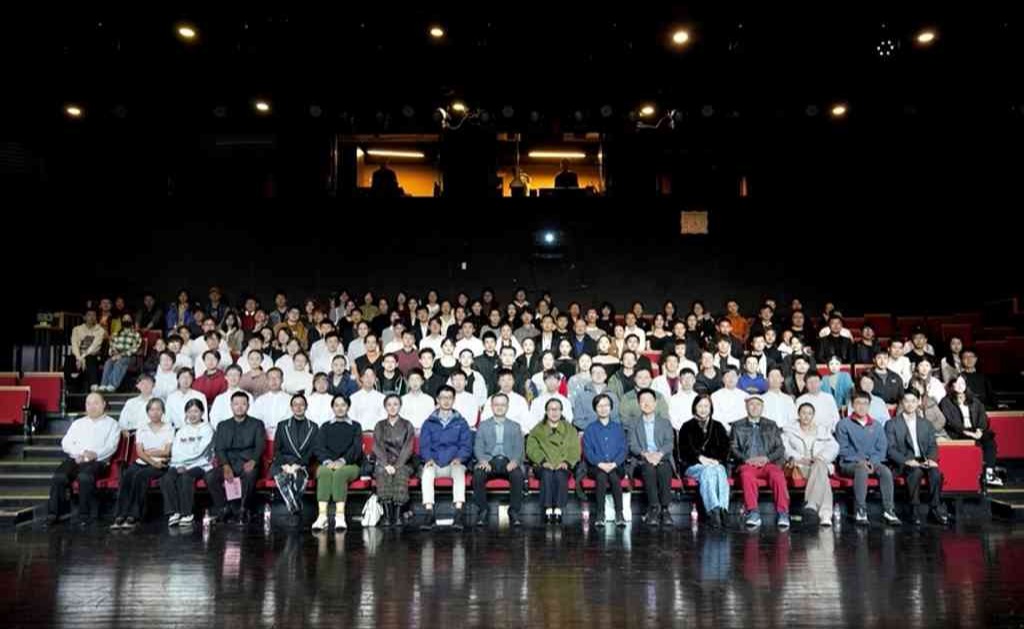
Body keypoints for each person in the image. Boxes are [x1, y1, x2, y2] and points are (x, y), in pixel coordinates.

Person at [47, 392, 120, 526]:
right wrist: (79, 453)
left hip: (98, 461)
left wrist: (94, 454)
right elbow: (65, 443)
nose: (92, 407)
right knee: (59, 477)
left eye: (96, 403)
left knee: (85, 477)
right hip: (76, 458)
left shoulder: (112, 424)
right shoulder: (78, 423)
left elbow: (111, 446)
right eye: (88, 404)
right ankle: (54, 514)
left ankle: (84, 515)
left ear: (103, 404)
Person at [835, 392, 901, 525]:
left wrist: (872, 462)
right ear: (852, 405)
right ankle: (861, 510)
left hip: (873, 462)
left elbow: (881, 448)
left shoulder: (876, 425)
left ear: (869, 406)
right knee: (861, 469)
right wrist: (861, 461)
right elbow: (842, 449)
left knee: (886, 471)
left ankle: (889, 510)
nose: (862, 407)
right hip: (850, 463)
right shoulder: (843, 424)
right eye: (858, 403)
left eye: (865, 403)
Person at [886, 391, 950, 525]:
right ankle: (913, 509)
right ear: (902, 403)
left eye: (913, 401)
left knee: (936, 473)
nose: (910, 404)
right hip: (904, 461)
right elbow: (890, 449)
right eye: (907, 401)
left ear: (918, 402)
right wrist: (906, 461)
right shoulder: (892, 424)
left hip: (924, 459)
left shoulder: (926, 424)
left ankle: (934, 508)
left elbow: (932, 445)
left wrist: (931, 459)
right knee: (916, 471)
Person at [110, 398, 174, 529]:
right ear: (148, 412)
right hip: (144, 461)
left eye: (158, 409)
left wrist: (149, 453)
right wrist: (152, 459)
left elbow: (167, 452)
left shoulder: (169, 428)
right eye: (152, 409)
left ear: (163, 411)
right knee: (127, 475)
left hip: (162, 463)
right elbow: (139, 452)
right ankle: (121, 513)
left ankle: (134, 515)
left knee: (140, 476)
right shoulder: (142, 428)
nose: (155, 412)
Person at [731, 396, 791, 529]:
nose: (754, 407)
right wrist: (746, 459)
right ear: (746, 407)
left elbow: (780, 448)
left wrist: (767, 458)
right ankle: (753, 512)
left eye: (758, 404)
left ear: (762, 407)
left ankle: (783, 513)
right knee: (746, 475)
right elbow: (733, 448)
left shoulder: (771, 425)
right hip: (747, 463)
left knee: (777, 475)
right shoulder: (737, 425)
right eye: (751, 404)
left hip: (767, 462)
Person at [419, 386, 473, 530]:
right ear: (437, 400)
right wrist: (428, 459)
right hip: (435, 462)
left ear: (453, 400)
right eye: (443, 397)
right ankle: (429, 512)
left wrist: (460, 458)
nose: (446, 401)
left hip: (453, 462)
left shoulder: (461, 422)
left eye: (449, 398)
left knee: (459, 472)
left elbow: (466, 445)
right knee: (427, 472)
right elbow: (424, 445)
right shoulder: (429, 422)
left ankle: (458, 512)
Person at [207, 392, 265, 525]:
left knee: (250, 474)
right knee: (210, 477)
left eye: (243, 404)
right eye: (236, 404)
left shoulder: (257, 424)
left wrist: (254, 460)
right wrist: (225, 465)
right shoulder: (223, 425)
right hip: (229, 462)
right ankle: (224, 508)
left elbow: (260, 446)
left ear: (248, 406)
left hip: (248, 462)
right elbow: (219, 448)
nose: (239, 407)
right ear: (231, 406)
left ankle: (243, 510)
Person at [472, 393, 526, 527]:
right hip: (489, 461)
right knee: (478, 475)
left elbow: (519, 448)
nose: (499, 407)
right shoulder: (483, 426)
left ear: (507, 407)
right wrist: (482, 460)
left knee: (517, 475)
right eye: (496, 404)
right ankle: (483, 510)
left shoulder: (515, 426)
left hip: (509, 461)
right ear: (491, 406)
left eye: (503, 405)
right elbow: (478, 447)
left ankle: (513, 511)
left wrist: (515, 461)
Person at [312, 395, 364, 531]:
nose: (340, 408)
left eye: (343, 405)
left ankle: (340, 516)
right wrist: (327, 461)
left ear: (348, 407)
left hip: (350, 465)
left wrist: (342, 461)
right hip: (328, 464)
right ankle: (322, 516)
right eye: (336, 405)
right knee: (322, 471)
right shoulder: (325, 426)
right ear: (332, 407)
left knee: (340, 473)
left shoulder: (355, 426)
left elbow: (356, 448)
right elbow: (318, 447)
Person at [677, 395, 731, 528]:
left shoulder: (718, 426)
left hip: (715, 464)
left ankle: (722, 510)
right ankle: (713, 510)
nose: (703, 409)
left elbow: (725, 448)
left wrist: (716, 460)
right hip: (692, 465)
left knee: (720, 469)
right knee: (708, 471)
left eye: (706, 406)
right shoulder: (686, 426)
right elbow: (684, 451)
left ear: (711, 408)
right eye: (700, 406)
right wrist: (700, 458)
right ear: (694, 407)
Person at [161, 396, 215, 527]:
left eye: (196, 411)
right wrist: (180, 464)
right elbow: (176, 450)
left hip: (200, 464)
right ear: (186, 413)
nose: (192, 415)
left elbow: (199, 451)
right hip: (180, 464)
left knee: (186, 477)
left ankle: (187, 513)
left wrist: (186, 465)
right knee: (166, 478)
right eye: (189, 411)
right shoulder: (182, 430)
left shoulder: (207, 429)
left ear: (202, 412)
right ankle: (174, 512)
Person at [783, 402, 839, 526]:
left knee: (819, 466)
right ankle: (825, 514)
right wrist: (799, 458)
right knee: (823, 477)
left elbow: (834, 447)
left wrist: (822, 457)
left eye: (809, 413)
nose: (806, 416)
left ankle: (812, 504)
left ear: (813, 415)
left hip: (819, 462)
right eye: (803, 413)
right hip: (800, 465)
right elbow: (785, 448)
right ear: (798, 414)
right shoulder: (789, 430)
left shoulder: (822, 430)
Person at [940, 376, 1002, 486]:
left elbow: (982, 416)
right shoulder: (946, 402)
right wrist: (967, 432)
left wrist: (979, 430)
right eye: (956, 383)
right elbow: (950, 422)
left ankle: (989, 473)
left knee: (990, 442)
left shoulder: (974, 400)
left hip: (975, 430)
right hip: (958, 432)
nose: (960, 386)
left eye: (962, 383)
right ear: (951, 386)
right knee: (976, 444)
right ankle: (978, 474)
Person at [527, 398, 580, 525]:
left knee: (560, 474)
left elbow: (575, 449)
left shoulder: (570, 429)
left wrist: (566, 462)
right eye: (551, 409)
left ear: (561, 411)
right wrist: (543, 461)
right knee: (547, 474)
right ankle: (548, 509)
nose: (554, 412)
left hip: (563, 464)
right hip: (542, 464)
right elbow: (531, 448)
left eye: (557, 409)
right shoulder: (537, 429)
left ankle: (558, 509)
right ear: (546, 411)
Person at [629, 389, 676, 527]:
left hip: (662, 458)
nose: (647, 403)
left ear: (655, 403)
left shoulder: (665, 422)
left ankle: (665, 509)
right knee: (649, 468)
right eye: (643, 401)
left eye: (650, 400)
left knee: (664, 468)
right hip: (641, 461)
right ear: (639, 404)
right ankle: (654, 508)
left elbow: (669, 443)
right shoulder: (633, 423)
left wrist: (659, 454)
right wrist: (646, 455)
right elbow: (632, 445)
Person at [583, 394, 628, 528]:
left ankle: (619, 513)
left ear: (611, 408)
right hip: (596, 466)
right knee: (601, 476)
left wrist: (614, 463)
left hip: (616, 465)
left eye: (606, 405)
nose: (603, 409)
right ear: (595, 409)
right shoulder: (590, 429)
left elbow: (623, 449)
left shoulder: (618, 428)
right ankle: (600, 514)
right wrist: (600, 464)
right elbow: (588, 451)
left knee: (614, 476)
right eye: (600, 406)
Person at [270, 395, 319, 517]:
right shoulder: (282, 425)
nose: (298, 407)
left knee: (299, 477)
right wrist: (285, 465)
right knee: (281, 475)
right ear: (291, 407)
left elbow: (313, 450)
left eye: (301, 404)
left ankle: (293, 506)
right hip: (283, 463)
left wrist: (299, 465)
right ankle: (295, 506)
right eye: (295, 404)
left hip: (303, 463)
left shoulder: (313, 427)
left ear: (306, 407)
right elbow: (277, 449)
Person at [373, 394, 416, 527]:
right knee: (382, 472)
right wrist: (386, 464)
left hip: (403, 462)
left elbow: (408, 448)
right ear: (385, 407)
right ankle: (387, 516)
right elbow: (377, 446)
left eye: (395, 404)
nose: (392, 407)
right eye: (389, 404)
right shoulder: (380, 425)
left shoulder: (407, 425)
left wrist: (396, 466)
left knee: (400, 473)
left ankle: (398, 516)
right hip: (384, 462)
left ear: (400, 406)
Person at [98, 314, 141, 392]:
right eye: (124, 319)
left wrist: (121, 355)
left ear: (131, 321)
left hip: (129, 356)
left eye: (128, 319)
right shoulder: (116, 334)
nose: (126, 320)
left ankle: (112, 385)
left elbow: (134, 349)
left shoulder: (136, 334)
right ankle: (103, 385)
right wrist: (113, 352)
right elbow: (111, 345)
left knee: (119, 362)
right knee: (108, 362)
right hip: (116, 355)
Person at [67, 308, 106, 393]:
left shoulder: (100, 330)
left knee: (90, 358)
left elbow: (95, 346)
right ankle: (69, 389)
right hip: (78, 355)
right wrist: (79, 358)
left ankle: (94, 386)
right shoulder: (77, 329)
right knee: (70, 359)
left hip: (93, 355)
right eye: (89, 315)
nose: (91, 317)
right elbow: (74, 344)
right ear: (84, 317)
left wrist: (82, 358)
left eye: (94, 315)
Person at [251, 368, 292, 438]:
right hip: (263, 437)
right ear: (267, 380)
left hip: (284, 436)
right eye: (270, 378)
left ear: (282, 380)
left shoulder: (290, 399)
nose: (274, 381)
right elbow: (255, 419)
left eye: (277, 378)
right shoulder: (260, 400)